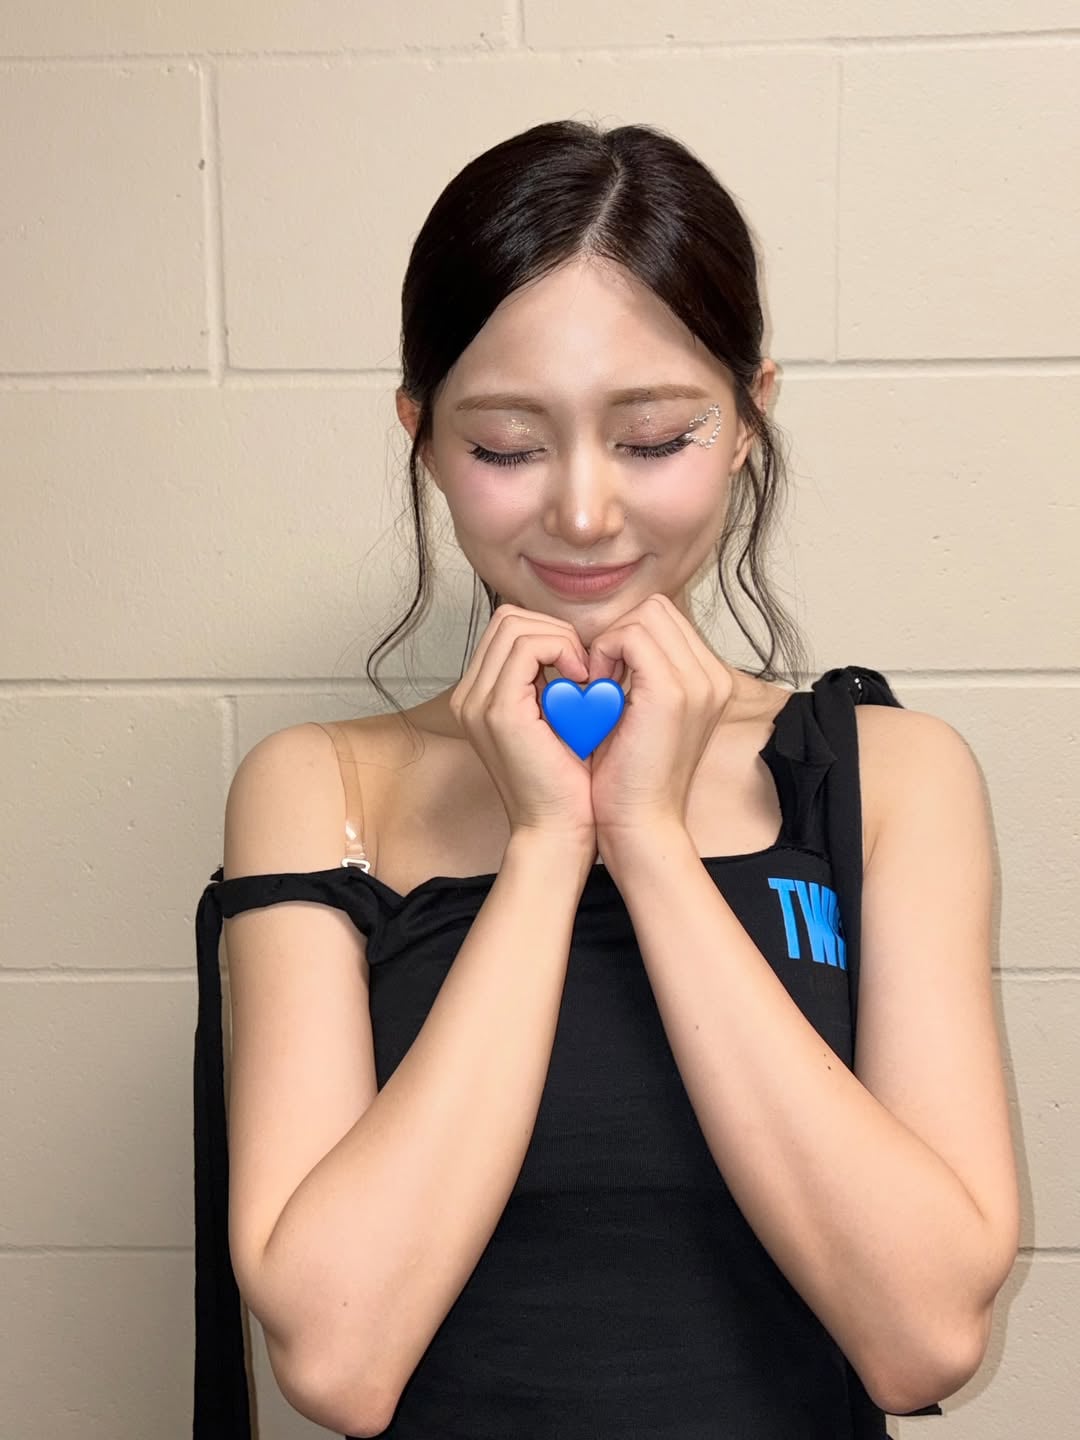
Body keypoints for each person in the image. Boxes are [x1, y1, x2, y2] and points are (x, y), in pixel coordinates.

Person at [193, 119, 1020, 1439]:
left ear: (747, 419)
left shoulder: (889, 776)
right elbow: (338, 1360)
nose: (583, 512)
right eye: (506, 448)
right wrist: (543, 847)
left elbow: (921, 1340)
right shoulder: (320, 788)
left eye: (654, 438)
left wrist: (647, 837)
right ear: (421, 435)